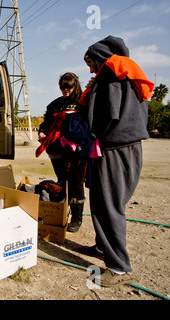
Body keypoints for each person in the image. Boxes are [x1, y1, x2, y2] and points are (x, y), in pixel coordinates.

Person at [79, 36, 154, 287]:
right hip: (129, 147)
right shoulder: (127, 73)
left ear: (99, 58)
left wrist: (90, 108)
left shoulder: (109, 75)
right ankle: (103, 246)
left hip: (113, 148)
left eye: (90, 62)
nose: (90, 69)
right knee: (106, 200)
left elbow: (106, 115)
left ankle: (119, 268)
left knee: (108, 204)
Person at [37, 72, 86, 232]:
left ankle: (77, 219)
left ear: (75, 86)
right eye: (63, 88)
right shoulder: (54, 104)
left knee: (76, 183)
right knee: (63, 182)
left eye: (69, 88)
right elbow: (45, 123)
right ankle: (62, 213)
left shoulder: (83, 102)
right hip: (57, 151)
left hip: (76, 151)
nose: (66, 90)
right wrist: (42, 132)